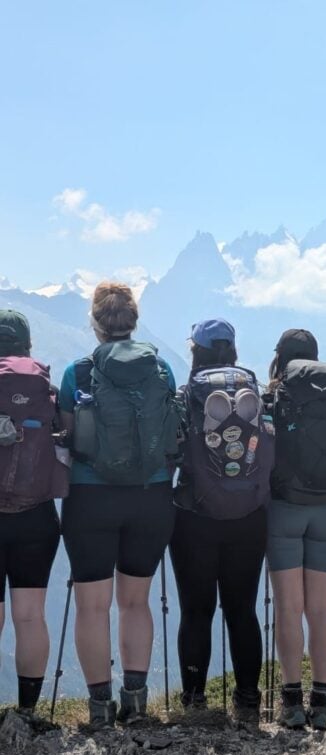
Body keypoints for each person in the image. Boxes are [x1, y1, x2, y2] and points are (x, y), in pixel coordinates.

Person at [59, 282, 178, 729]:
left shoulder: (79, 372)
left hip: (92, 497)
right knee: (137, 602)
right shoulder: (161, 369)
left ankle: (98, 708)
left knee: (92, 605)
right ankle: (136, 701)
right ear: (133, 321)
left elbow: (69, 439)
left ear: (95, 322)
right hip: (152, 496)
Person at [171, 318, 273, 722]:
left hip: (194, 516)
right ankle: (248, 699)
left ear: (195, 351)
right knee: (242, 609)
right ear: (231, 350)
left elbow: (173, 448)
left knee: (196, 611)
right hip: (250, 516)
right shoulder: (255, 395)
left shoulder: (187, 395)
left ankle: (195, 700)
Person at [266, 329, 326, 730]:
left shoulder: (275, 398)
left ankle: (291, 702)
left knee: (288, 606)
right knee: (320, 607)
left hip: (285, 509)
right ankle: (322, 699)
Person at [0, 310, 67, 716]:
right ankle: (27, 711)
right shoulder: (47, 389)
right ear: (27, 346)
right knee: (30, 615)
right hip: (37, 516)